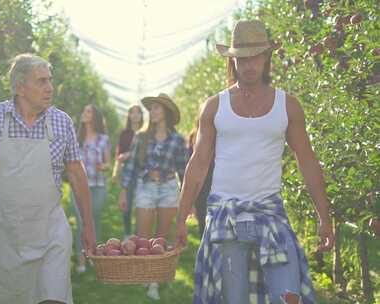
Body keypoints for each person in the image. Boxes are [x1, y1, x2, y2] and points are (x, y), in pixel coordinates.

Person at [176, 20, 334, 304]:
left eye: (255, 57)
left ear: (266, 57)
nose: (249, 65)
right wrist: (180, 218)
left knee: (289, 297)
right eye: (242, 58)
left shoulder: (287, 105)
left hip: (269, 213)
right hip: (226, 216)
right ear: (233, 60)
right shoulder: (215, 106)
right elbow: (198, 164)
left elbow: (307, 162)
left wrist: (325, 217)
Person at [0, 53, 96, 304]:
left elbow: (76, 173)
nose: (50, 87)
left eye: (50, 80)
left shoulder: (61, 122)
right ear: (20, 87)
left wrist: (88, 225)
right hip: (1, 234)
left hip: (49, 231)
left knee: (52, 296)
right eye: (41, 81)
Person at [119, 93, 188, 300]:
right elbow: (131, 166)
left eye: (157, 108)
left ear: (165, 112)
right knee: (143, 237)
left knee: (160, 239)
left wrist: (188, 199)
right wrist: (123, 190)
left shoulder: (177, 139)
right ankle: (146, 273)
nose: (152, 111)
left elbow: (184, 170)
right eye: (152, 108)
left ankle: (154, 281)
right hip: (146, 187)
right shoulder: (141, 136)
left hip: (168, 188)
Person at [72, 104, 111, 273]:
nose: (84, 113)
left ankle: (94, 255)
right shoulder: (75, 138)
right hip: (80, 188)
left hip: (98, 186)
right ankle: (81, 259)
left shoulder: (103, 139)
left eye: (88, 111)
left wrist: (102, 166)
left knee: (93, 222)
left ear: (94, 117)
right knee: (81, 222)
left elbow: (108, 164)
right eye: (84, 110)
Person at [113, 105, 144, 237]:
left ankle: (138, 234)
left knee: (140, 205)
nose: (135, 115)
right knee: (127, 205)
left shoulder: (145, 133)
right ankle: (127, 233)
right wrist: (116, 173)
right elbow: (119, 155)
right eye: (133, 113)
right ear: (129, 116)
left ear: (142, 116)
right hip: (127, 172)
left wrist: (130, 154)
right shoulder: (125, 134)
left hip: (142, 172)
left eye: (138, 113)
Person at [186, 116, 213, 236]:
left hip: (215, 181)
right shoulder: (194, 136)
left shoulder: (218, 136)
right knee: (203, 219)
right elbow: (190, 163)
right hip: (201, 185)